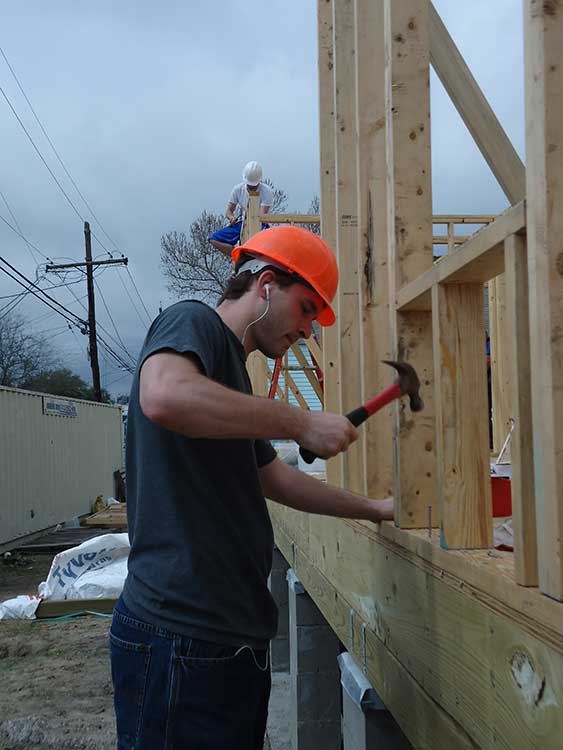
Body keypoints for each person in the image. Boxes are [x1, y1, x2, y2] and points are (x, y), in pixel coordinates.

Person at [110, 225, 394, 750]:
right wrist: (299, 422)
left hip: (224, 642)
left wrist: (375, 509)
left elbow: (275, 478)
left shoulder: (233, 378)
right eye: (307, 308)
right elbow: (164, 396)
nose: (309, 330)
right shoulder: (192, 321)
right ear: (266, 285)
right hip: (181, 636)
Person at [208, 160, 273, 256]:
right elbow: (229, 210)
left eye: (254, 186)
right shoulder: (238, 189)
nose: (251, 188)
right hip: (242, 223)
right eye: (250, 186)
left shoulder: (266, 191)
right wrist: (231, 218)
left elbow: (261, 216)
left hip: (260, 225)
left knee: (264, 244)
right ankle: (238, 255)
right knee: (213, 239)